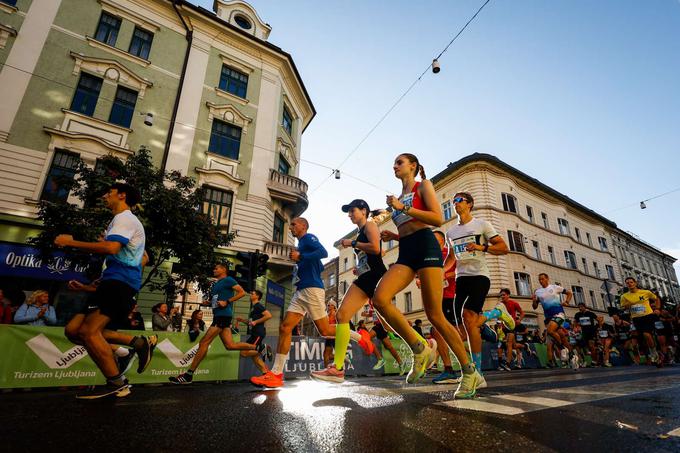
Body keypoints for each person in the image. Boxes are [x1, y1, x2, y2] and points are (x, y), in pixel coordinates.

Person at [374, 154, 482, 398]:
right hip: (407, 251)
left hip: (426, 248)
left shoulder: (424, 185)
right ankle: (419, 348)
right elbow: (409, 227)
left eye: (399, 162)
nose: (394, 166)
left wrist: (404, 208)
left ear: (413, 166)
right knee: (380, 299)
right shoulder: (398, 198)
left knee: (435, 316)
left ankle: (469, 371)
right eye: (393, 163)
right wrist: (394, 235)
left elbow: (436, 218)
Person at [54, 182, 155, 399]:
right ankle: (130, 346)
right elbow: (121, 255)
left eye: (109, 193)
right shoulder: (117, 221)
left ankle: (117, 382)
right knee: (73, 330)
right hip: (111, 282)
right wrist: (90, 285)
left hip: (120, 284)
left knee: (89, 332)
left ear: (122, 195)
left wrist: (71, 242)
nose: (104, 196)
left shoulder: (125, 218)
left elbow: (113, 249)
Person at [252, 217, 350, 388]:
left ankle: (359, 336)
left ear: (303, 226)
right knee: (285, 327)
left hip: (311, 289)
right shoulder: (300, 245)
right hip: (300, 292)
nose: (290, 227)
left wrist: (301, 256)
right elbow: (318, 265)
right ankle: (276, 374)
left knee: (325, 330)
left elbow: (323, 252)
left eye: (293, 224)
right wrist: (302, 259)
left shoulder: (308, 238)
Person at [310, 200, 389, 383]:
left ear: (363, 211)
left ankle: (422, 345)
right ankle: (337, 368)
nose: (349, 215)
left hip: (375, 276)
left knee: (389, 323)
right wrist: (359, 268)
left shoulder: (369, 225)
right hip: (367, 276)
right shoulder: (363, 230)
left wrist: (352, 243)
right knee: (343, 315)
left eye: (352, 211)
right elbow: (373, 254)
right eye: (348, 212)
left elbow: (376, 249)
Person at [443, 191, 514, 387]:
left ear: (470, 204)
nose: (455, 203)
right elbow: (451, 258)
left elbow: (503, 247)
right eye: (453, 201)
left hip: (480, 276)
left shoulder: (482, 224)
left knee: (468, 318)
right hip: (461, 279)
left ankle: (477, 373)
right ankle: (497, 312)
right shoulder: (450, 232)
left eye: (459, 200)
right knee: (463, 326)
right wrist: (441, 271)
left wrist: (481, 247)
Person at [170, 263, 257, 384]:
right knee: (230, 345)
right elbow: (217, 301)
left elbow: (242, 292)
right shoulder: (216, 283)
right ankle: (258, 347)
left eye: (216, 268)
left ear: (223, 269)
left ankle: (188, 375)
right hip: (219, 315)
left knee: (204, 342)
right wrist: (209, 303)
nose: (214, 270)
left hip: (223, 315)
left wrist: (227, 301)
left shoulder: (228, 280)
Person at [532, 273, 576, 369]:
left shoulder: (555, 287)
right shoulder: (537, 292)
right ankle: (571, 355)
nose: (541, 281)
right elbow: (535, 307)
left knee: (551, 331)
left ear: (547, 278)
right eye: (539, 279)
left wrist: (567, 301)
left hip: (558, 314)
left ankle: (562, 349)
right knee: (556, 340)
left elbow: (569, 293)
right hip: (548, 318)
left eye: (543, 279)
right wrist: (534, 301)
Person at [619, 276, 661, 365]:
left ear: (635, 283)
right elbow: (623, 307)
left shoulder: (645, 292)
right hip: (636, 318)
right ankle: (653, 351)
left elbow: (656, 299)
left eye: (631, 282)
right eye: (627, 283)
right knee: (644, 337)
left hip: (647, 315)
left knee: (647, 334)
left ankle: (654, 353)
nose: (629, 284)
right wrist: (627, 306)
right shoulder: (624, 296)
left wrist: (657, 308)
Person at [235, 290, 273, 372]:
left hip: (258, 333)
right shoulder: (253, 307)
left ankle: (264, 349)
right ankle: (265, 373)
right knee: (254, 357)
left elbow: (269, 315)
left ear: (257, 296)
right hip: (254, 333)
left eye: (252, 294)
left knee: (244, 353)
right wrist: (242, 320)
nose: (250, 295)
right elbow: (251, 322)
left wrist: (255, 322)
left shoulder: (258, 306)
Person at [497, 288, 524, 372]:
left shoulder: (514, 303)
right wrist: (499, 325)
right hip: (503, 328)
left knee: (509, 344)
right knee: (504, 346)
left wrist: (519, 320)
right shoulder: (500, 305)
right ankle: (524, 347)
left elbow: (522, 313)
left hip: (511, 327)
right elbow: (499, 316)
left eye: (504, 295)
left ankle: (507, 364)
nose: (502, 296)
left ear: (508, 295)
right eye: (501, 295)